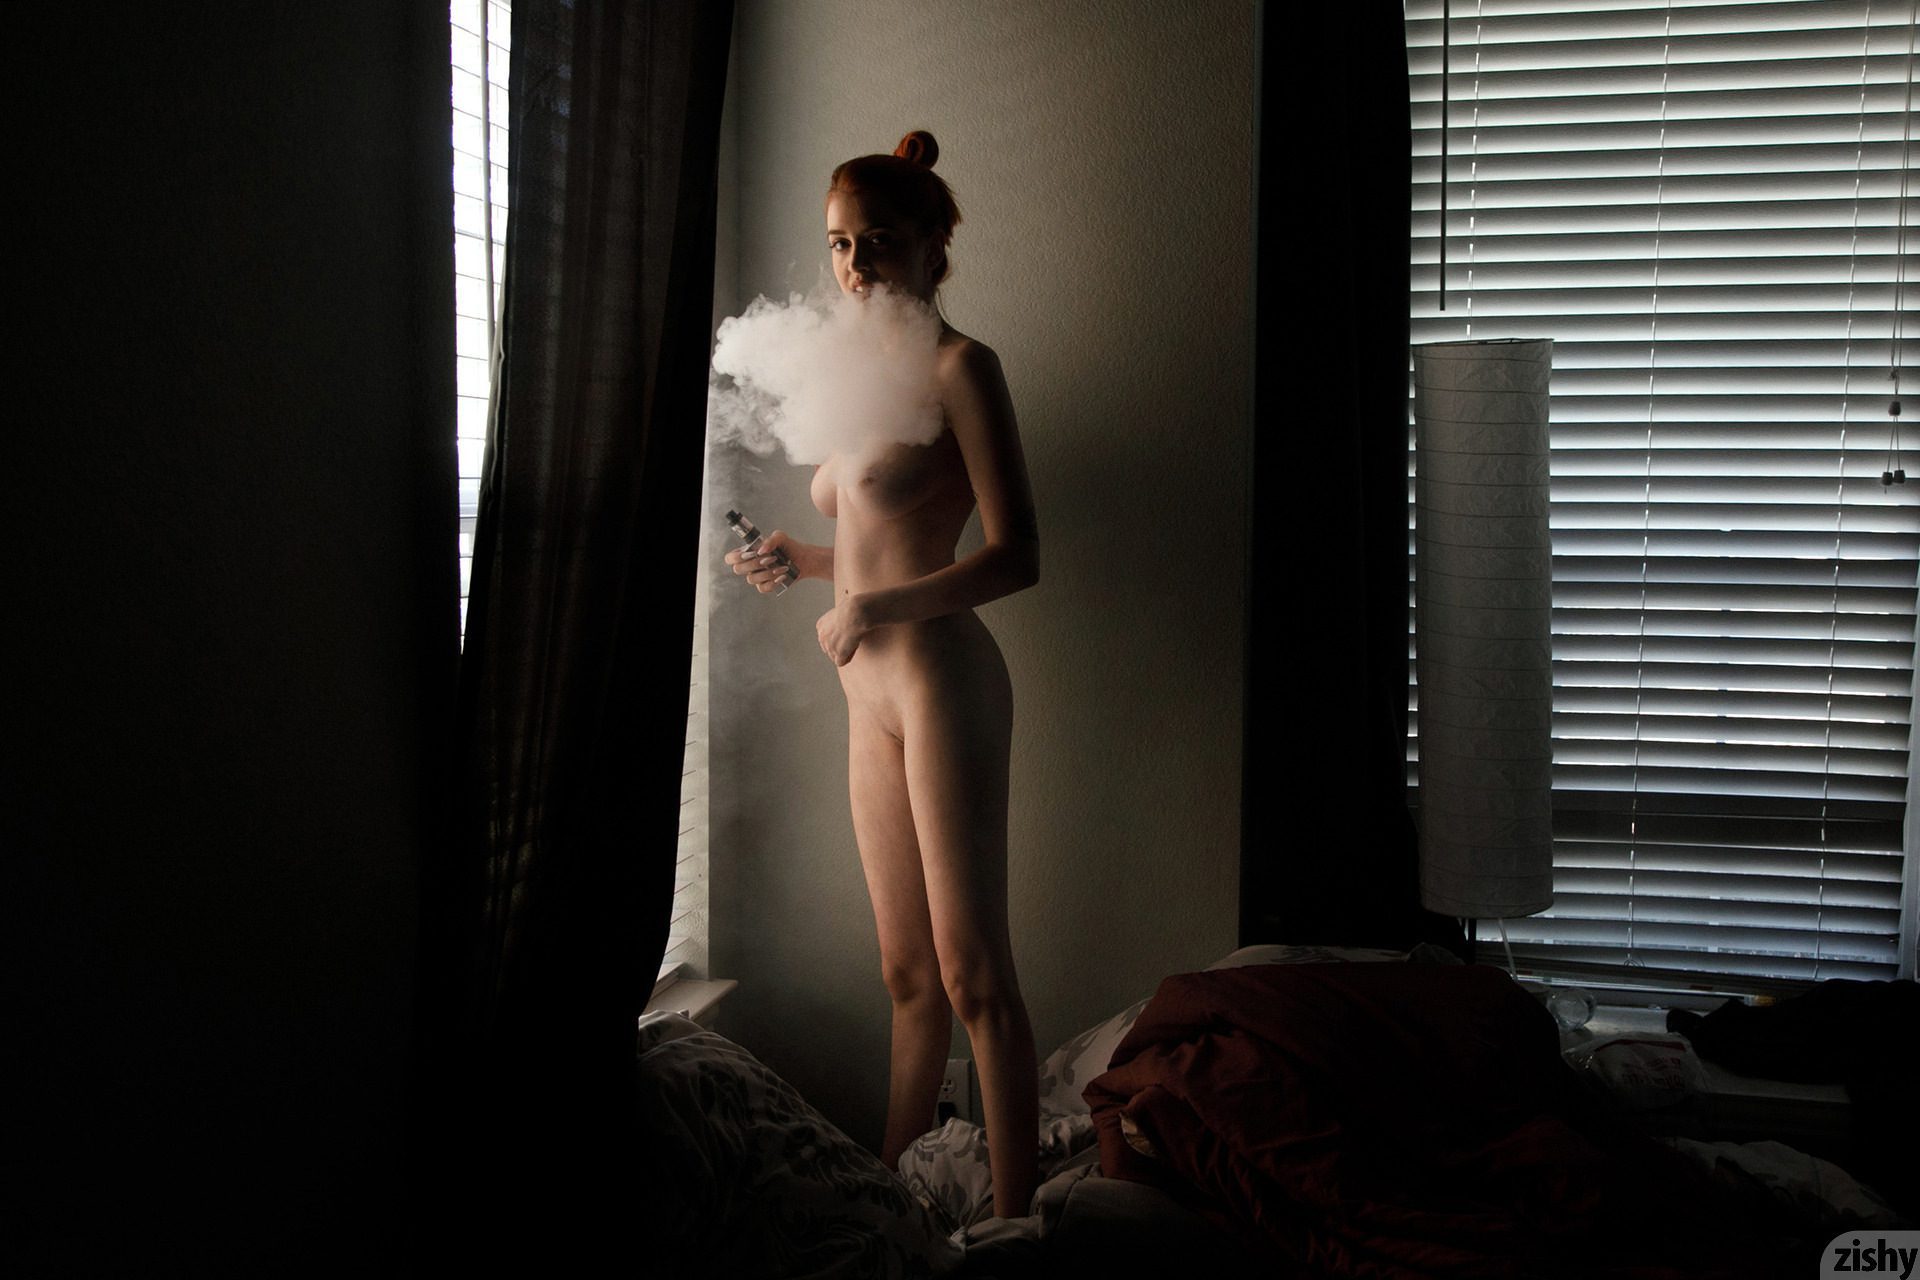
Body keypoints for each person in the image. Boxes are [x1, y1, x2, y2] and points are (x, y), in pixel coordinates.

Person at [725, 130, 1041, 1218]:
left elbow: (1018, 554)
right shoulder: (864, 378)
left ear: (932, 248)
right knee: (906, 977)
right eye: (839, 244)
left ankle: (1017, 1227)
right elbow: (871, 535)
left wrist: (871, 607)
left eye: (879, 242)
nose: (855, 266)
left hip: (940, 680)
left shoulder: (964, 369)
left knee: (973, 976)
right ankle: (891, 1205)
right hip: (865, 690)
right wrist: (805, 560)